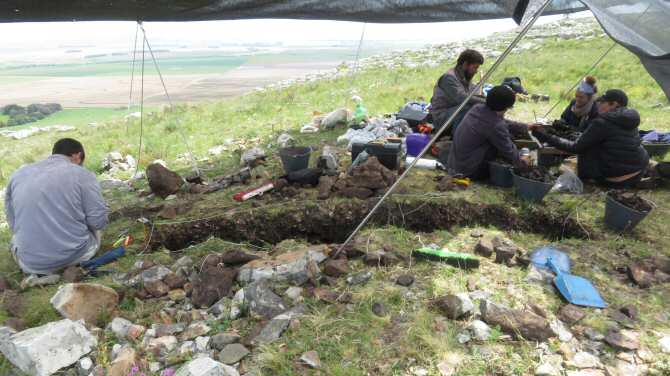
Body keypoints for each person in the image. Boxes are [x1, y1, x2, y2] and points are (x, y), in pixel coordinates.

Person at [5, 138, 108, 276]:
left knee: (16, 240)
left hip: (32, 265)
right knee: (95, 229)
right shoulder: (82, 174)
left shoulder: (18, 175)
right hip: (77, 256)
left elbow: (13, 223)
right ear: (77, 156)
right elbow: (98, 222)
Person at [531, 89, 649, 188]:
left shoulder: (602, 122)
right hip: (638, 170)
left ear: (614, 104)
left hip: (617, 178)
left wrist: (544, 135)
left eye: (602, 103)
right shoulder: (627, 118)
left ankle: (592, 179)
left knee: (586, 151)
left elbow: (575, 148)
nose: (598, 105)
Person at [448, 85, 530, 179]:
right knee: (503, 146)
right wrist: (523, 162)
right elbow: (508, 149)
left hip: (454, 164)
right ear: (506, 107)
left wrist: (524, 127)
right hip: (468, 171)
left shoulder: (477, 108)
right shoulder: (495, 125)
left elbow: (501, 122)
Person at [430, 49, 486, 134]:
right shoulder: (448, 78)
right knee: (468, 107)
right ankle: (459, 138)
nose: (476, 71)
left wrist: (486, 98)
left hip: (453, 114)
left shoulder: (464, 78)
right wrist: (486, 101)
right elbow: (462, 98)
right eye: (475, 67)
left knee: (478, 107)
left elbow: (472, 94)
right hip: (441, 118)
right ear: (465, 64)